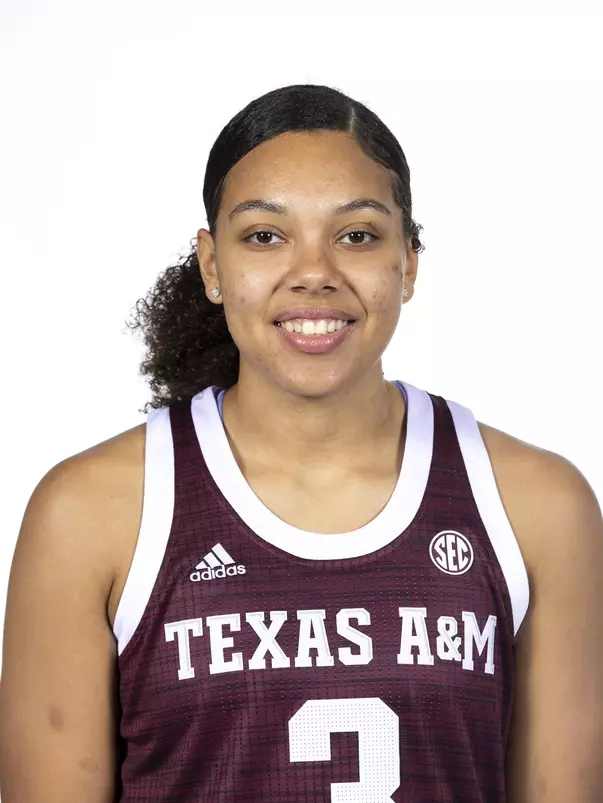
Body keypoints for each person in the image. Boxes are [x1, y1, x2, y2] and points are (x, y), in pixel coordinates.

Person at [1, 83, 602, 803]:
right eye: (264, 236)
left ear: (407, 262)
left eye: (357, 234)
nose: (313, 272)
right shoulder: (89, 514)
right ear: (212, 265)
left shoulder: (534, 505)